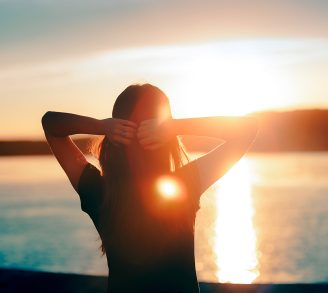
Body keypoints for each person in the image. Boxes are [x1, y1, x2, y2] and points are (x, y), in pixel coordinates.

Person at [41, 83, 258, 292]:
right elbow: (247, 129)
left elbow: (51, 125)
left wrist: (102, 126)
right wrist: (174, 127)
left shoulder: (98, 190)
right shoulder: (183, 185)